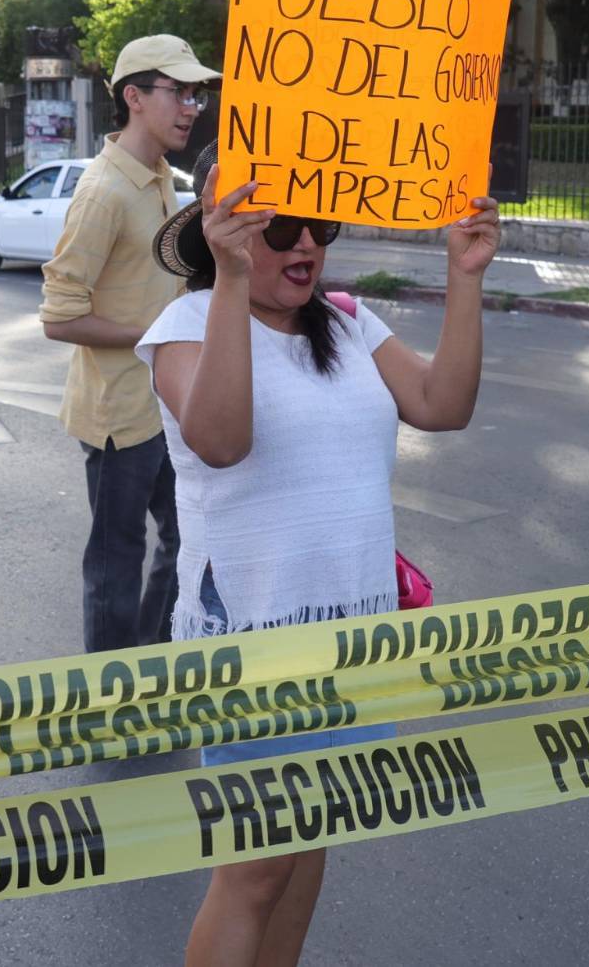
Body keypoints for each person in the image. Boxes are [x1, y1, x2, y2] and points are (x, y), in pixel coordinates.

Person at [137, 142, 499, 964]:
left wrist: (466, 278)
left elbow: (443, 404)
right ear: (226, 231)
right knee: (254, 872)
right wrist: (231, 281)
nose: (306, 244)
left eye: (319, 223)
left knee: (307, 856)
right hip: (253, 649)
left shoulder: (345, 320)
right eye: (283, 226)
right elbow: (221, 440)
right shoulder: (185, 327)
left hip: (356, 640)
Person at [39, 34, 220, 651]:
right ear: (134, 97)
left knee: (191, 536)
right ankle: (109, 695)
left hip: (170, 404)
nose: (193, 106)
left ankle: (149, 658)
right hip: (119, 418)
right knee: (117, 561)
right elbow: (59, 318)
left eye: (197, 93)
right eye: (179, 92)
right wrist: (155, 337)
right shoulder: (102, 193)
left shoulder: (163, 180)